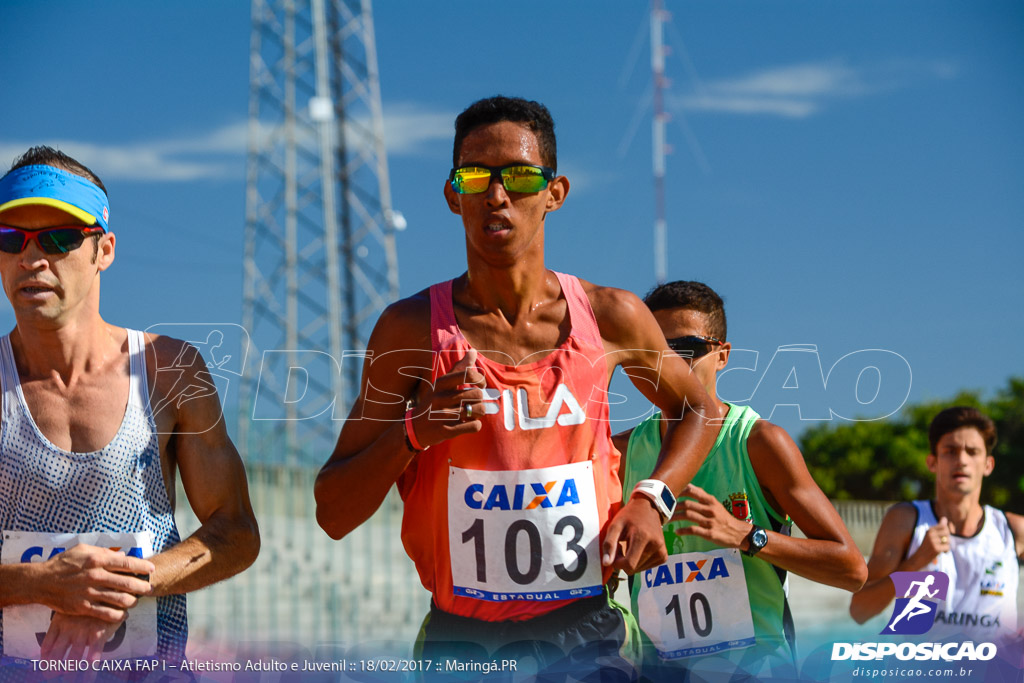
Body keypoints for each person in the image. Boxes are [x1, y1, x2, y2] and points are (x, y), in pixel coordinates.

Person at [314, 96, 718, 678]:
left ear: (555, 193)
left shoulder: (611, 316)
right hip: (462, 643)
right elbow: (333, 511)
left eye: (520, 176)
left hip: (587, 636)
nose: (496, 195)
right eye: (475, 176)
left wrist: (652, 498)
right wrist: (415, 432)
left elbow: (698, 410)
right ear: (454, 195)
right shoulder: (409, 330)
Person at [0, 147, 260, 666]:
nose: (32, 259)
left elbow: (235, 532)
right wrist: (43, 585)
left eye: (59, 238)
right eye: (11, 240)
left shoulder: (169, 369)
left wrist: (115, 586)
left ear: (105, 250)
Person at [614, 281, 866, 680]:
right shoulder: (622, 452)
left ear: (722, 355)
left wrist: (747, 536)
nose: (670, 365)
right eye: (656, 352)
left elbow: (851, 569)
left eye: (686, 350)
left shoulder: (759, 443)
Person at [850, 406, 1023, 646]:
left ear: (988, 465)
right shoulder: (907, 520)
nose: (961, 460)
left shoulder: (1013, 529)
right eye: (950, 451)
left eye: (972, 452)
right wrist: (916, 561)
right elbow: (859, 611)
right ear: (932, 462)